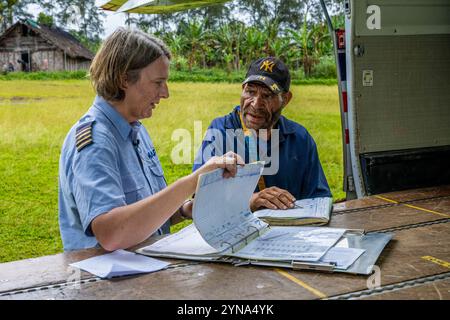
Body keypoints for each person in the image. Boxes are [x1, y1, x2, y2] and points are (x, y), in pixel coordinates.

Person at [58, 28, 243, 251]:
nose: (165, 93)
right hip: (108, 281)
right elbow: (111, 234)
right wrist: (193, 181)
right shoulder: (96, 141)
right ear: (124, 79)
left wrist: (186, 209)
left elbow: (147, 214)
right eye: (158, 82)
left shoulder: (135, 129)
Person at [193, 57, 331, 212]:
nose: (255, 104)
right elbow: (200, 199)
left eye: (267, 96)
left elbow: (319, 200)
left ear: (285, 99)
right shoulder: (220, 131)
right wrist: (249, 201)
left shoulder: (299, 138)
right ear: (242, 89)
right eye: (250, 92)